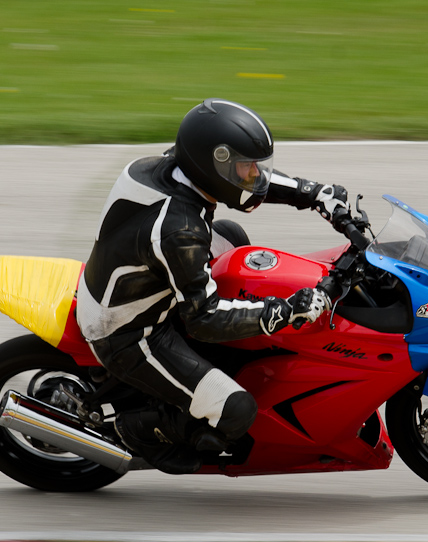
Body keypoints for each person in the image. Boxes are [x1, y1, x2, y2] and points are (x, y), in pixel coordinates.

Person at [76, 98, 351, 474]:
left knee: (234, 238)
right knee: (237, 411)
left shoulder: (173, 167)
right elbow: (202, 320)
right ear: (213, 165)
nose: (253, 176)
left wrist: (313, 193)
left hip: (139, 279)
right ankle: (141, 430)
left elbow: (246, 185)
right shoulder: (180, 230)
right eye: (244, 169)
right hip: (129, 331)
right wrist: (285, 311)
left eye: (254, 167)